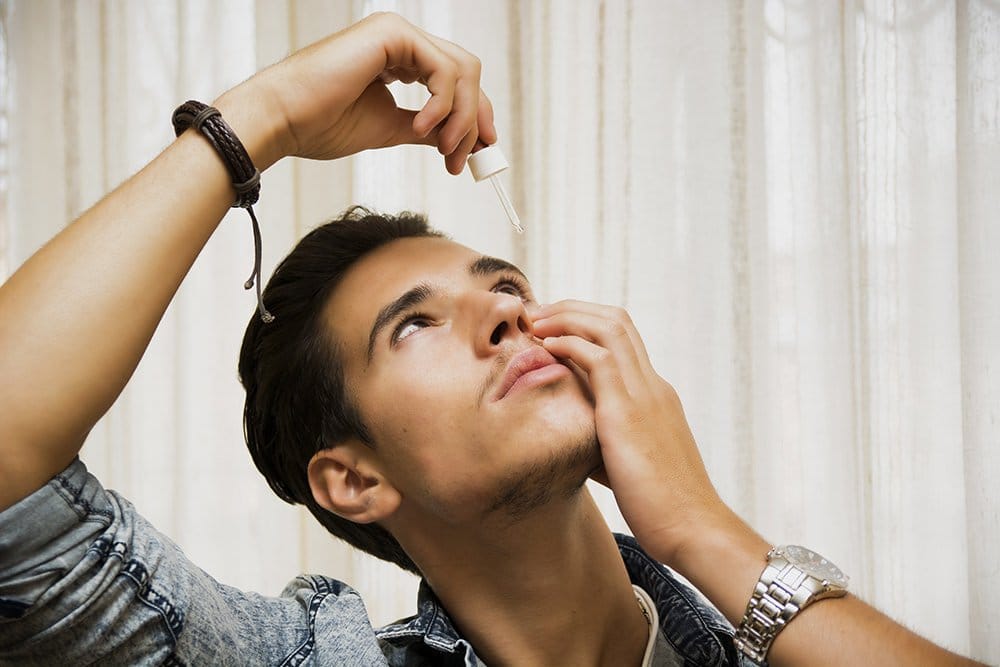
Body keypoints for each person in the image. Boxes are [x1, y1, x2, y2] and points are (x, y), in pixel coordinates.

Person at [0, 12, 983, 667]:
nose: (506, 314)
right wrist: (266, 117)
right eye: (416, 324)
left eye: (504, 286)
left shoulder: (799, 639)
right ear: (352, 479)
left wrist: (701, 532)